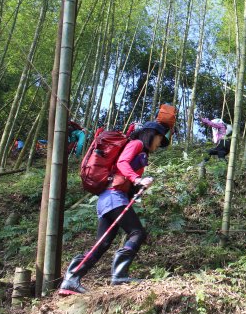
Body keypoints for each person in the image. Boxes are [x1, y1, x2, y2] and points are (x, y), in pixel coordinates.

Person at [59, 121, 170, 295]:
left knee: (102, 242)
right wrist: (137, 179)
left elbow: (123, 173)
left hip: (108, 198)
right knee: (137, 232)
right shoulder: (137, 144)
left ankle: (71, 278)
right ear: (152, 134)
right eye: (159, 139)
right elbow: (122, 163)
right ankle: (119, 274)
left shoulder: (140, 151)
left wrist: (135, 188)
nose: (159, 143)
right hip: (114, 197)